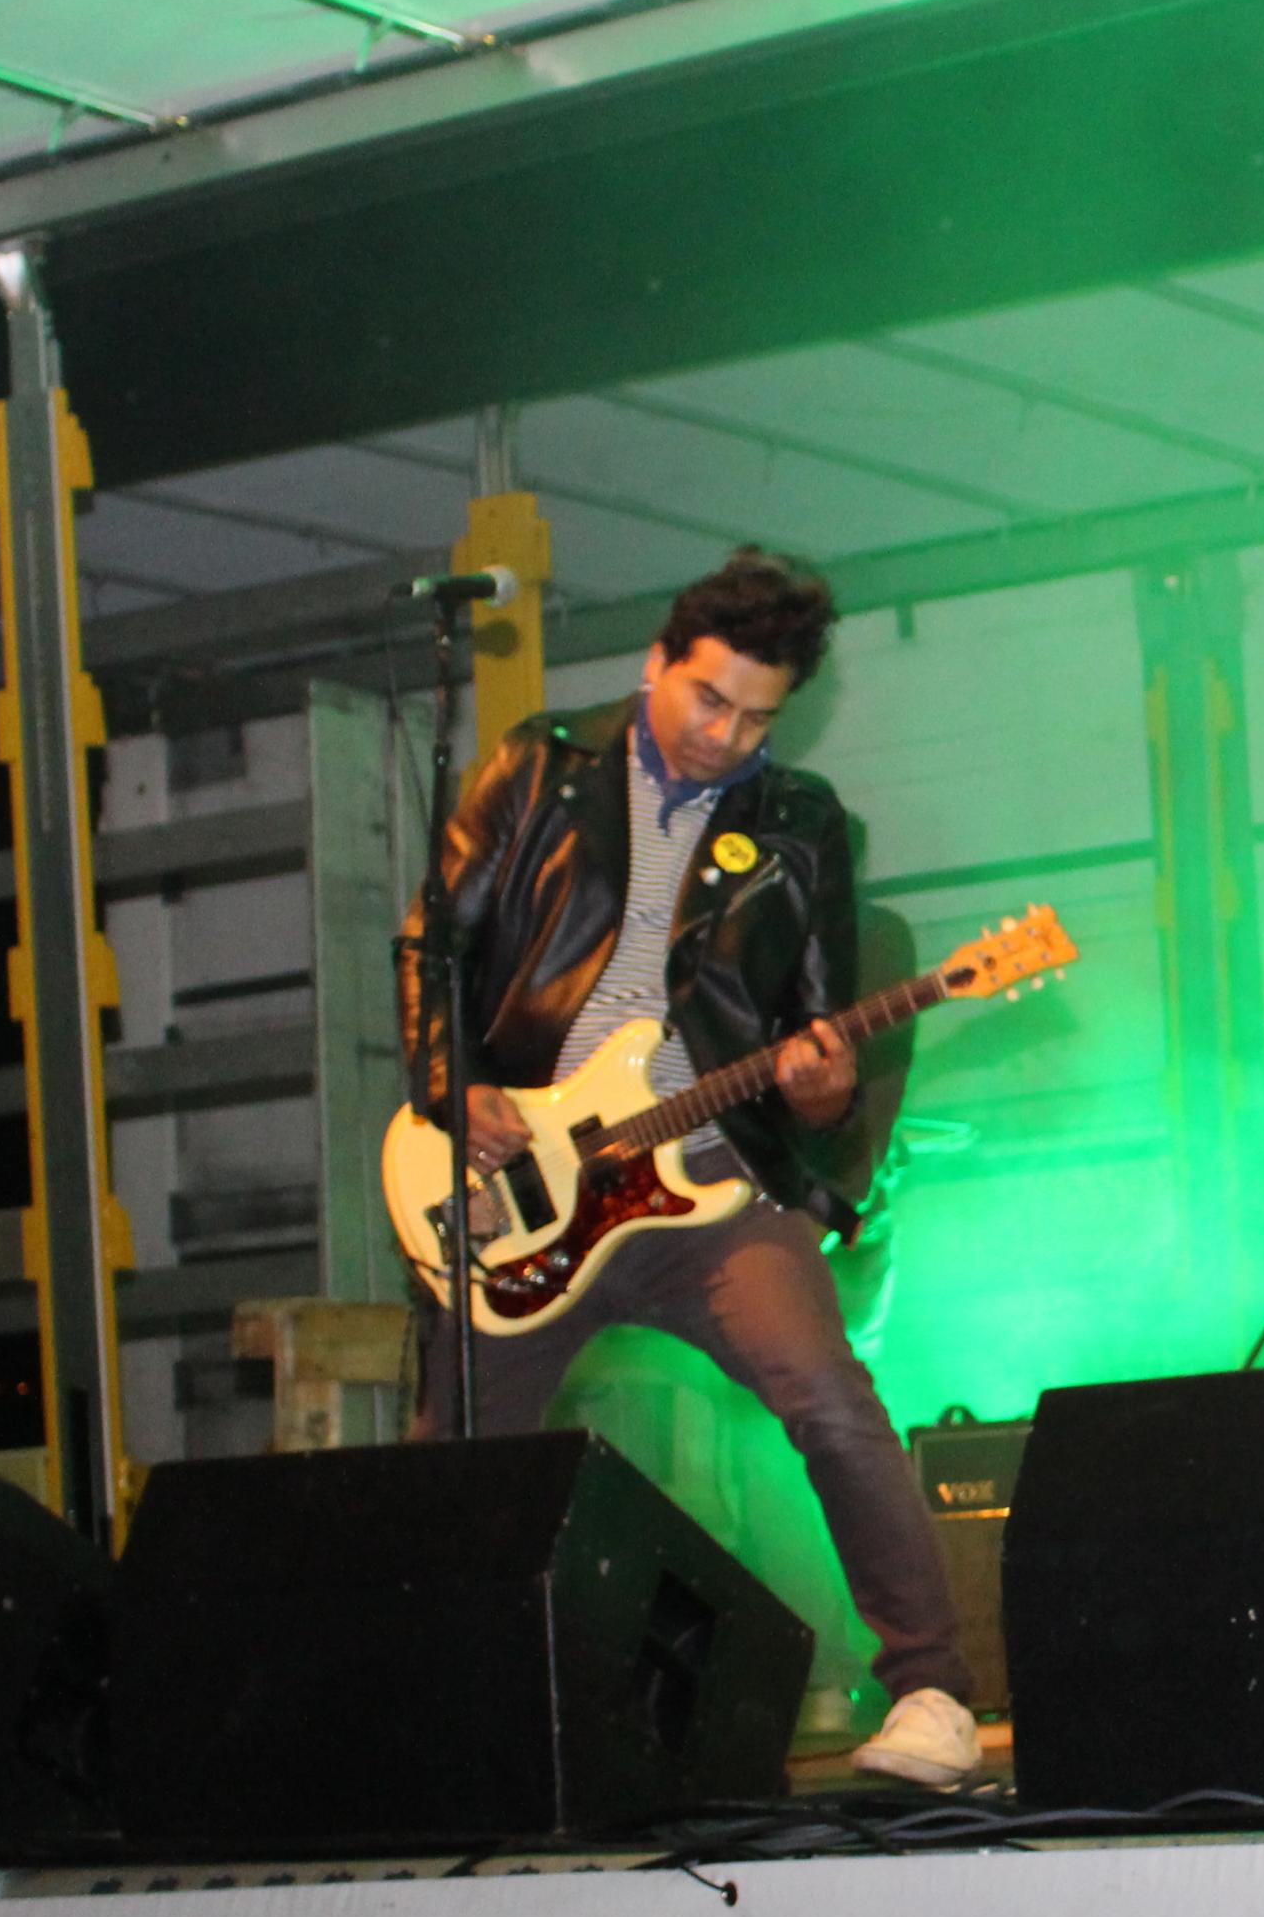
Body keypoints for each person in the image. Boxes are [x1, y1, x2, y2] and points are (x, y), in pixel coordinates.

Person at [401, 547, 981, 1787]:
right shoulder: (541, 767)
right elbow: (432, 945)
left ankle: (931, 1690)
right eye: (708, 699)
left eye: (756, 718)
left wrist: (824, 1089)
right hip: (529, 1183)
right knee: (453, 1457)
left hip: (708, 1177)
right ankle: (437, 1718)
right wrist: (457, 1092)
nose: (725, 735)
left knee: (828, 1394)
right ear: (657, 660)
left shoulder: (801, 823)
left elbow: (817, 1024)